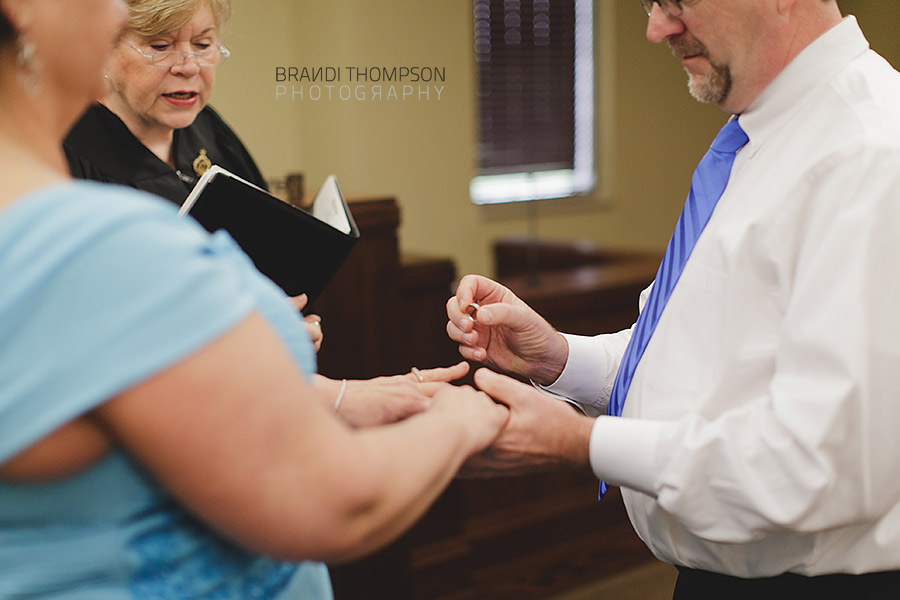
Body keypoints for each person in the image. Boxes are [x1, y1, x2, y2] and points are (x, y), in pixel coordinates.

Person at [0, 1, 509, 598]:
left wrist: (340, 400)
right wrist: (463, 421)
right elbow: (334, 501)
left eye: (203, 44)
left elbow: (142, 395)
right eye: (156, 43)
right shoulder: (106, 240)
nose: (115, 10)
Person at [447, 0, 900, 597]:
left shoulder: (869, 154)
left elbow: (819, 464)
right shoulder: (756, 138)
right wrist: (558, 359)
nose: (655, 28)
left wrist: (581, 443)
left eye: (677, 2)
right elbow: (703, 368)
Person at [62, 0, 460, 427]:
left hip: (257, 401)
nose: (188, 66)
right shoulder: (68, 152)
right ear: (104, 44)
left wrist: (290, 319)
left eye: (203, 44)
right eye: (159, 46)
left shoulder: (209, 130)